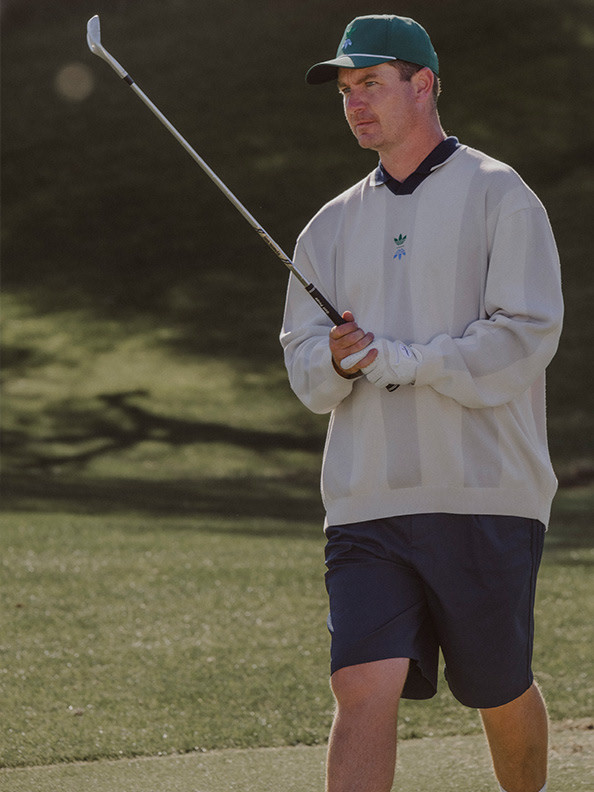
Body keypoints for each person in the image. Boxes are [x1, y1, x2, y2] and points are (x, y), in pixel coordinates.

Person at [280, 14, 563, 792]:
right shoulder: (328, 227)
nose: (355, 103)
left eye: (370, 83)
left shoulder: (500, 195)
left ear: (424, 83)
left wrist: (407, 362)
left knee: (497, 689)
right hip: (365, 500)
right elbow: (304, 368)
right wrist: (335, 359)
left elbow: (525, 335)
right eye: (345, 90)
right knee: (360, 683)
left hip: (483, 493)